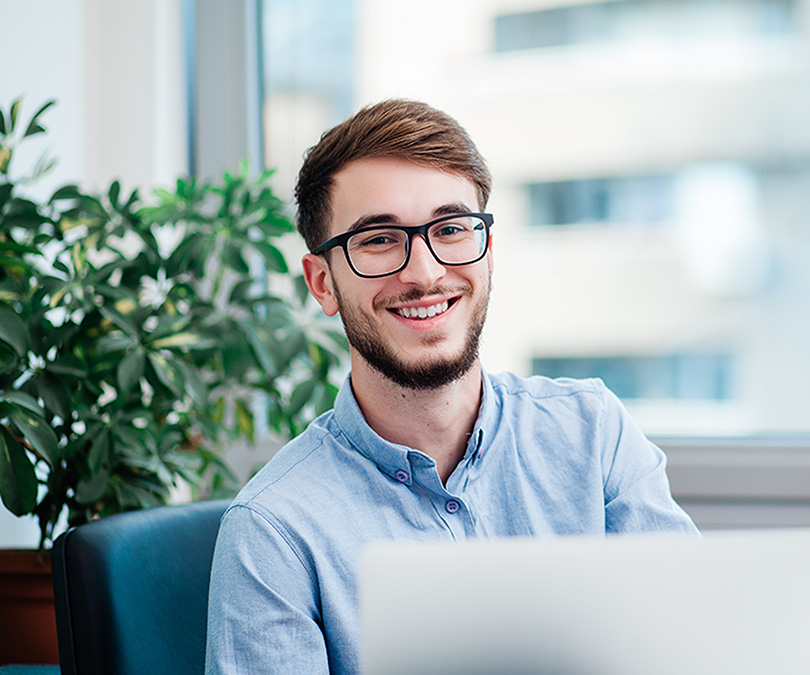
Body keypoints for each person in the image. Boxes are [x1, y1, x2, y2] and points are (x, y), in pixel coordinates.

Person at [204, 99, 698, 675]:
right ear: (323, 283)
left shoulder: (594, 435)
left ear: (487, 252)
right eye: (380, 239)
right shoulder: (273, 532)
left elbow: (689, 648)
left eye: (452, 228)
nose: (425, 273)